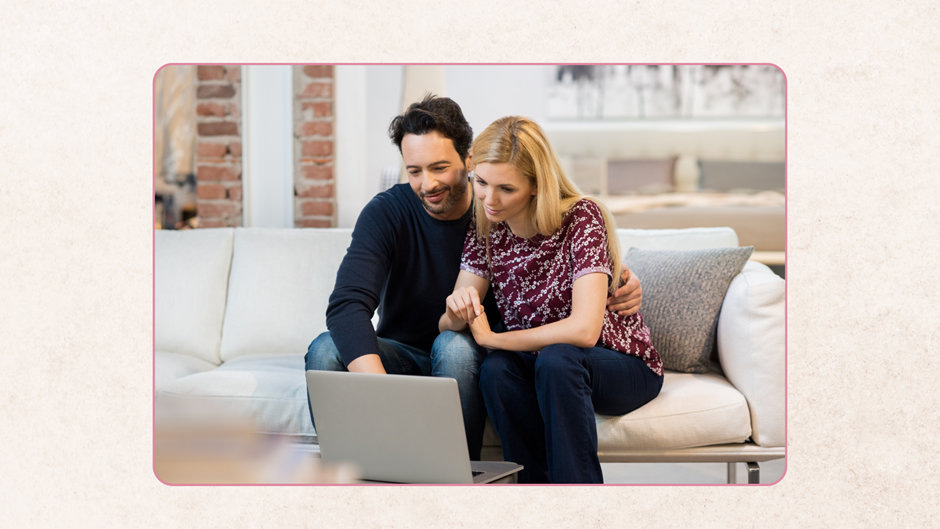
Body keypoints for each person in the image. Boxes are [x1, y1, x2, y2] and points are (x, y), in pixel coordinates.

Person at [305, 96, 644, 461]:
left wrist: (619, 277)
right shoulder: (389, 213)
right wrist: (386, 395)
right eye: (414, 170)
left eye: (439, 167)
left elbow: (556, 250)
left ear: (469, 160)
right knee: (326, 348)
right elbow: (346, 306)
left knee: (453, 346)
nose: (427, 183)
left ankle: (460, 474)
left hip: (474, 354)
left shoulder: (496, 212)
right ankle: (355, 472)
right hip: (402, 355)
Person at [439, 116, 664, 482]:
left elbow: (584, 331)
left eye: (506, 189)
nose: (489, 199)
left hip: (621, 365)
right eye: (480, 182)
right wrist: (455, 311)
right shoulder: (485, 228)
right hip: (543, 364)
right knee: (496, 371)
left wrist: (494, 340)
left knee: (559, 359)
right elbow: (448, 322)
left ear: (535, 185)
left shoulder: (581, 218)